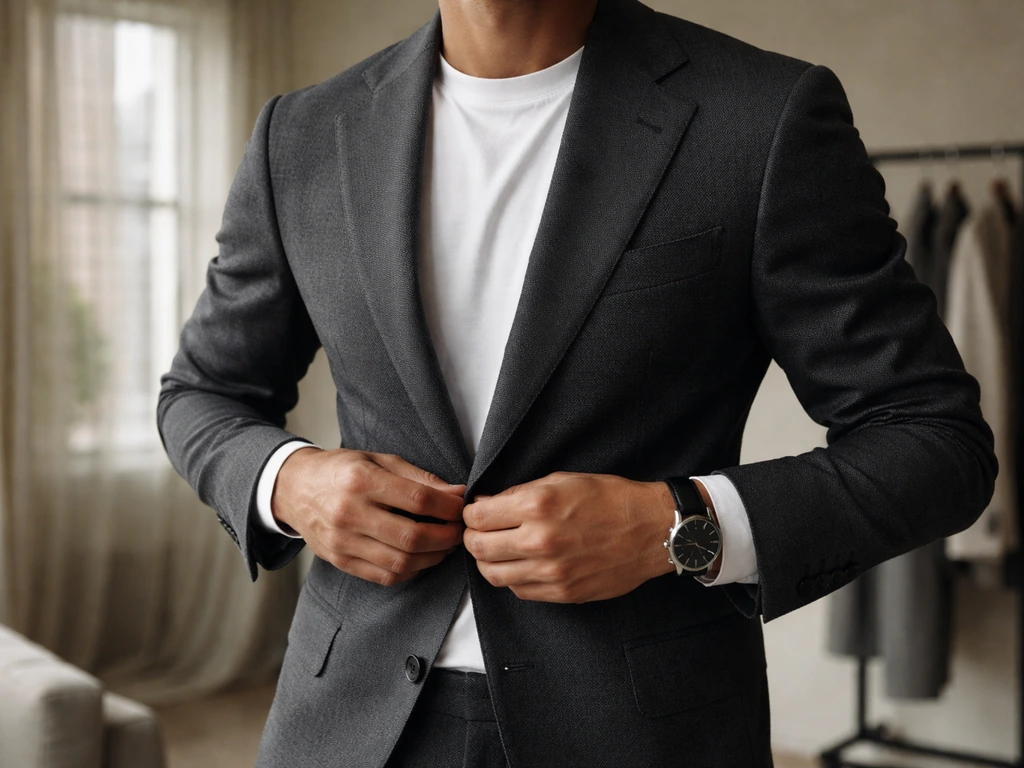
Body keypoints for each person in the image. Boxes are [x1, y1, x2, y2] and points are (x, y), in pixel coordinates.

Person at [156, 0, 997, 765]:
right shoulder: (302, 133)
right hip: (345, 721)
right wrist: (291, 482)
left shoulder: (765, 117)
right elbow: (202, 393)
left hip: (643, 730)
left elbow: (934, 439)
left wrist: (675, 524)